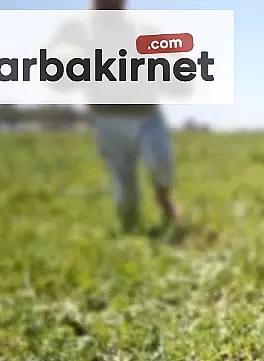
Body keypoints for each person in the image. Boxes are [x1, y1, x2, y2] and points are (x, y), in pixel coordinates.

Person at [86, 0, 180, 233]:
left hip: (146, 113)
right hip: (108, 118)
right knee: (123, 179)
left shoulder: (142, 30)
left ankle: (164, 200)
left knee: (161, 161)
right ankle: (129, 228)